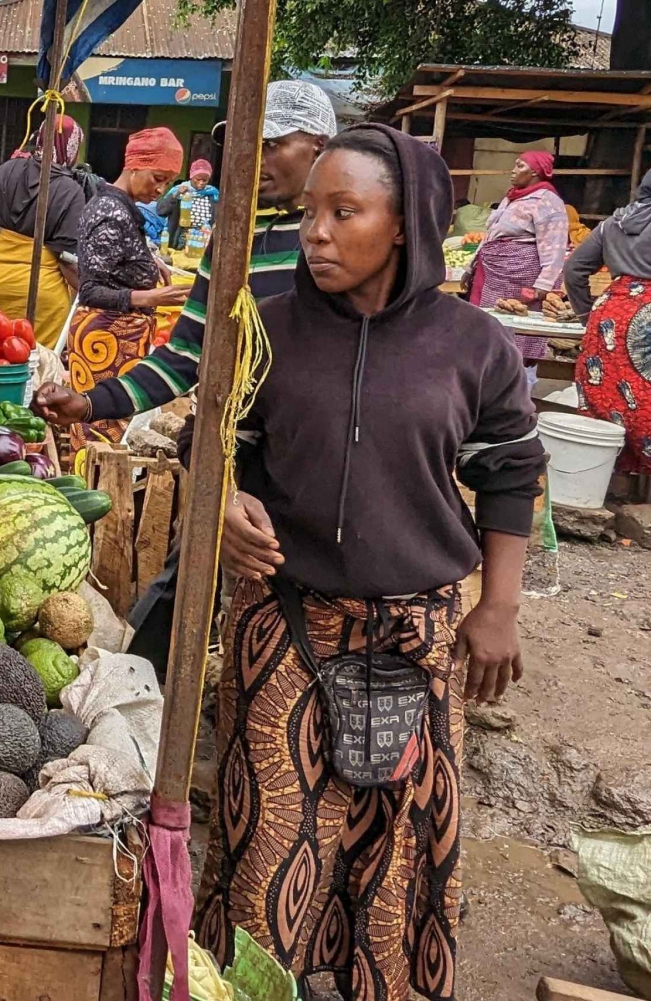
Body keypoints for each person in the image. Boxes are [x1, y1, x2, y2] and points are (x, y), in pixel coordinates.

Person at [193, 123, 544, 1001]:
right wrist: (226, 506)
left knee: (396, 850)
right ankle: (243, 988)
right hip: (287, 621)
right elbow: (218, 449)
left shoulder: (474, 346)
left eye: (342, 211)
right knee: (268, 839)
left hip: (414, 635)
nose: (314, 231)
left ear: (404, 224)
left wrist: (497, 607)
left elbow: (510, 476)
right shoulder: (263, 331)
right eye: (309, 209)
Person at [33, 80, 339, 675]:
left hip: (317, 463)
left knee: (292, 608)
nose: (256, 159)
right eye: (247, 145)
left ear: (321, 148)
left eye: (273, 144)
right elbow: (188, 352)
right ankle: (133, 692)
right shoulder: (237, 233)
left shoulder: (342, 240)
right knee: (187, 575)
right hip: (237, 452)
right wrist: (90, 401)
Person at [63, 128, 189, 454]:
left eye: (170, 182)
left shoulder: (122, 208)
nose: (161, 189)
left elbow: (116, 262)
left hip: (115, 340)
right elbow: (90, 289)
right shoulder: (110, 211)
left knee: (108, 433)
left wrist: (150, 261)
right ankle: (93, 497)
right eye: (157, 177)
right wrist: (150, 297)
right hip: (104, 340)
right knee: (100, 436)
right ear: (134, 165)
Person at [0, 116, 89, 347]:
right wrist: (94, 290)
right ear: (72, 148)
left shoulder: (6, 169)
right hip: (41, 295)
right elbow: (67, 261)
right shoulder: (72, 190)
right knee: (37, 369)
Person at [564, 168, 651, 472]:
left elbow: (574, 270)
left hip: (610, 315)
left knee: (606, 393)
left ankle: (603, 474)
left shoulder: (613, 223)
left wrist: (587, 315)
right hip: (647, 319)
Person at [465, 151, 569, 365]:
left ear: (535, 172)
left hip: (520, 277)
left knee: (516, 331)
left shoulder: (547, 201)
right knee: (485, 324)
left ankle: (515, 379)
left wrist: (544, 282)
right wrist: (471, 267)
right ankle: (484, 372)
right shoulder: (512, 197)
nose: (513, 170)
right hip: (492, 275)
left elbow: (555, 245)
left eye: (520, 166)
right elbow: (491, 235)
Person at [157, 158, 220, 251]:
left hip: (202, 240)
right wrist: (176, 194)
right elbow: (161, 211)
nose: (201, 183)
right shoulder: (179, 190)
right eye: (197, 179)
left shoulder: (212, 194)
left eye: (205, 180)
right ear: (191, 176)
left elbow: (216, 219)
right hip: (180, 240)